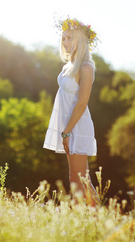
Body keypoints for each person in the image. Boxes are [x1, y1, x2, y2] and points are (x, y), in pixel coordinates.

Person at [43, 17, 100, 206]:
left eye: (70, 38)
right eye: (64, 38)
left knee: (78, 181)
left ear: (81, 41)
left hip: (76, 125)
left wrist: (67, 131)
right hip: (67, 125)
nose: (66, 42)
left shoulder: (86, 67)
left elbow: (82, 104)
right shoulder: (68, 66)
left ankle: (88, 221)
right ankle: (101, 221)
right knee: (79, 179)